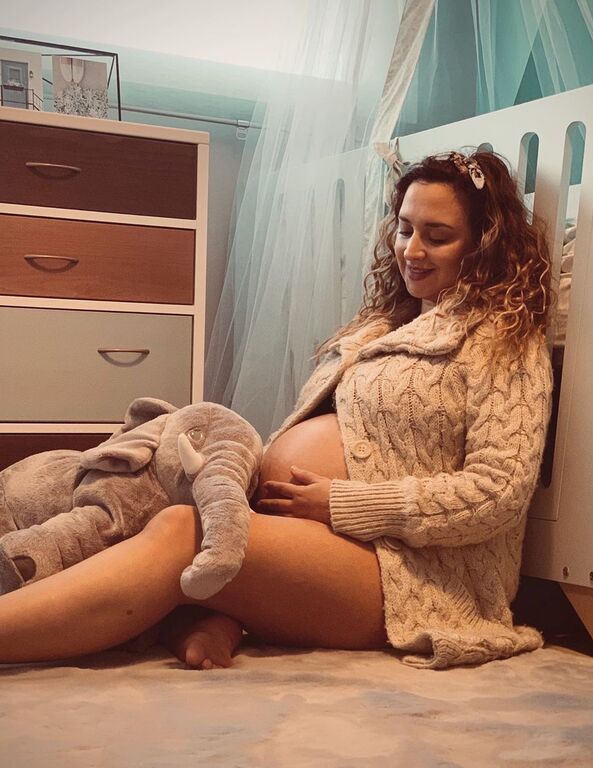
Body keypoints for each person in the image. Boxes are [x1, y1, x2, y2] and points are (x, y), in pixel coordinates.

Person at [0, 150, 553, 670]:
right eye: (405, 229)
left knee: (182, 534)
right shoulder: (387, 323)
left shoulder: (506, 340)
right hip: (332, 546)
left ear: (483, 243)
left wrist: (340, 503)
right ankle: (206, 617)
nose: (411, 250)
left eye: (437, 236)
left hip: (410, 575)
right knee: (138, 497)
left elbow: (497, 494)